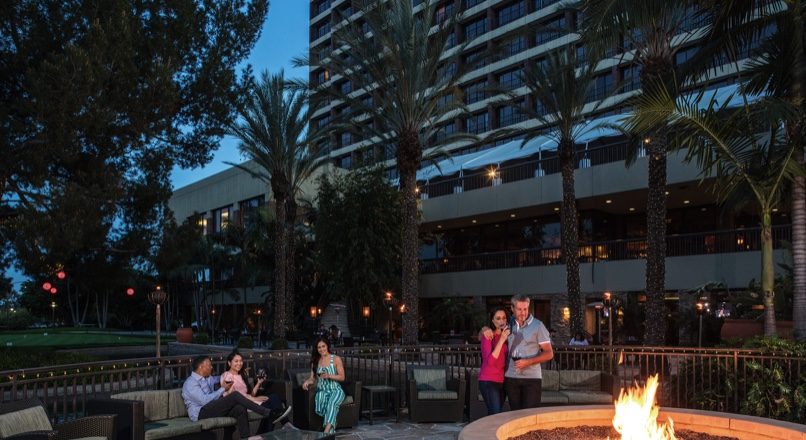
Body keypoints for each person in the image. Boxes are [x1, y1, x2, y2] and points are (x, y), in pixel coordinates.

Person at [481, 294, 553, 410]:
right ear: (512, 308)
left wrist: (528, 362)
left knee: (530, 415)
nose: (523, 313)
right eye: (519, 309)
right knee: (515, 415)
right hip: (511, 378)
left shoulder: (538, 326)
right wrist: (484, 329)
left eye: (525, 309)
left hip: (532, 379)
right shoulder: (508, 324)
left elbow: (549, 353)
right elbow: (491, 328)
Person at [182, 355, 274, 439]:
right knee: (234, 395)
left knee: (240, 408)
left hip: (212, 408)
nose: (212, 367)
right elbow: (204, 401)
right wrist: (222, 389)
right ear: (201, 367)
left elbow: (222, 377)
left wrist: (240, 373)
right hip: (200, 413)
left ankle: (246, 438)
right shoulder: (190, 383)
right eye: (209, 365)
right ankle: (266, 412)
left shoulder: (208, 378)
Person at [220, 350, 292, 432]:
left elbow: (251, 395)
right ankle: (285, 424)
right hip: (242, 406)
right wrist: (254, 399)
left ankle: (268, 431)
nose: (239, 363)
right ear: (229, 363)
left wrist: (258, 383)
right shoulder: (227, 375)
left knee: (273, 400)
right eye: (236, 361)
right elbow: (233, 396)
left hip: (251, 402)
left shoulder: (241, 375)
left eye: (240, 361)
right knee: (273, 404)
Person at [301, 338, 345, 434]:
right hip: (323, 391)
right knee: (320, 399)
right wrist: (307, 382)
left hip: (336, 390)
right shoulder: (315, 361)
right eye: (319, 347)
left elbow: (342, 377)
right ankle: (331, 429)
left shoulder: (336, 359)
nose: (321, 349)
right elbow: (312, 378)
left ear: (327, 346)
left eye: (323, 346)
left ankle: (326, 432)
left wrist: (329, 375)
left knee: (332, 403)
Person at [478, 307, 510, 415]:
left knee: (494, 414)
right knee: (495, 414)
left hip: (502, 380)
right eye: (498, 318)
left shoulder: (507, 337)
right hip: (489, 380)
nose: (502, 321)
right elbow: (490, 362)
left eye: (504, 318)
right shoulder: (488, 336)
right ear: (492, 321)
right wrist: (501, 340)